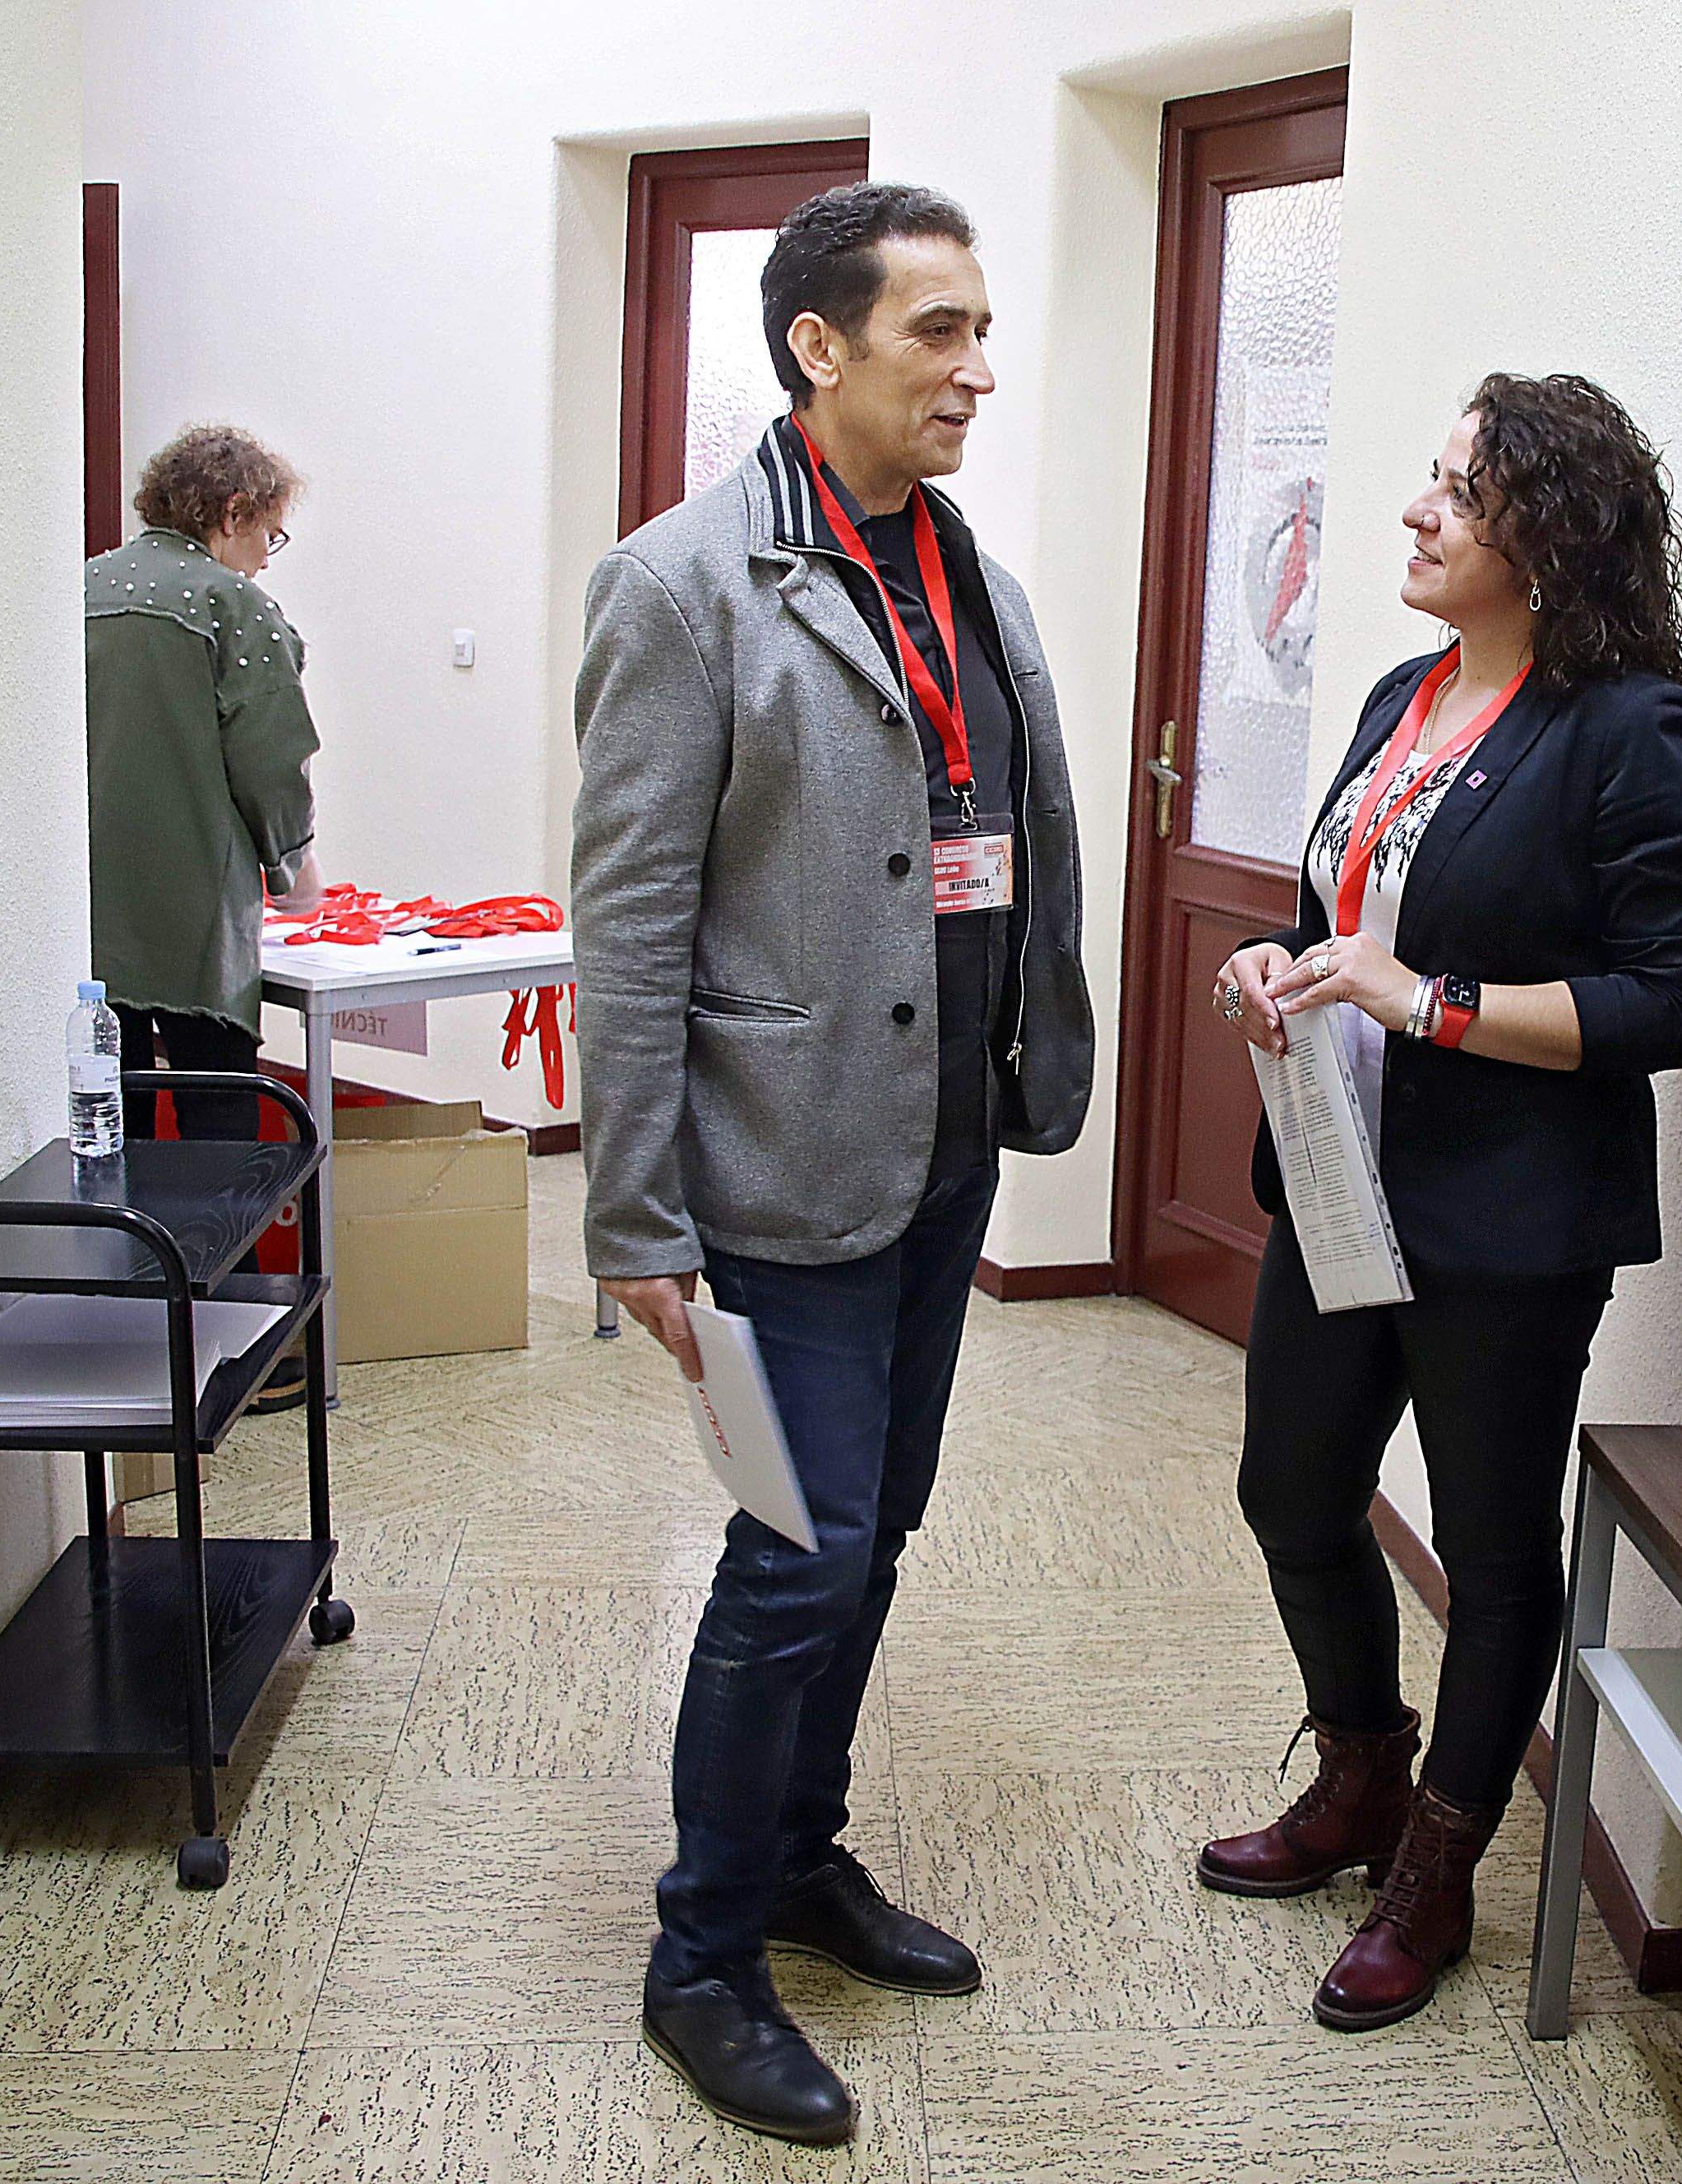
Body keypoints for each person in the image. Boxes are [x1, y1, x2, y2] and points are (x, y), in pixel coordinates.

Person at [574, 182, 1093, 2145]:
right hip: (780, 1160)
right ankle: (699, 1950)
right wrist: (632, 1213)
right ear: (819, 348)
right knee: (798, 1557)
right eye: (935, 333)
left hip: (939, 1145)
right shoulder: (686, 583)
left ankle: (801, 1856)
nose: (975, 371)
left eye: (980, 332)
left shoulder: (961, 566)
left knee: (878, 1531)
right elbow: (626, 925)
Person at [1198, 373, 1682, 2031]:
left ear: (1554, 534)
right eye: (1428, 480)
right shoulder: (1394, 696)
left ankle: (1440, 1862)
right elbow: (1348, 913)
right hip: (1343, 1184)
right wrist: (1290, 966)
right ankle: (1362, 1768)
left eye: (1463, 491)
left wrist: (1427, 999)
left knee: (1495, 1553)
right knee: (1292, 1488)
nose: (1419, 512)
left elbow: (1676, 996)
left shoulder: (1627, 725)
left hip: (1506, 1217)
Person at [85, 423, 325, 1144]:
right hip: (196, 925)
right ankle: (218, 1262)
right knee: (217, 1138)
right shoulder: (230, 605)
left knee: (106, 1133)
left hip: (87, 921)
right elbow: (270, 759)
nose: (263, 560)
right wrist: (293, 866)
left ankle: (129, 1259)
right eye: (268, 536)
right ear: (232, 513)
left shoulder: (81, 588)